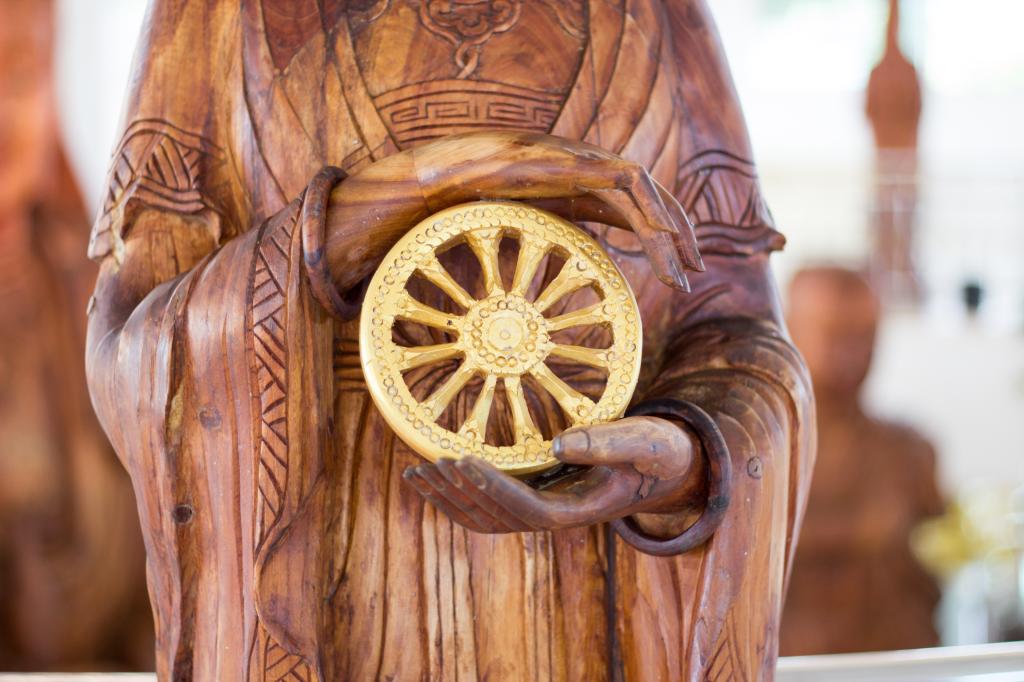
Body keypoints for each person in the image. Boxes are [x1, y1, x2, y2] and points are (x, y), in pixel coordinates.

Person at [85, 2, 814, 678]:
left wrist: (687, 457)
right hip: (338, 571)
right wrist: (459, 172)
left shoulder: (655, 18)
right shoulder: (222, 16)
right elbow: (143, 349)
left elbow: (734, 326)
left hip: (587, 585)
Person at [781, 266, 943, 654]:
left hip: (897, 663)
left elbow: (937, 562)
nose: (853, 353)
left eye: (866, 337)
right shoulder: (752, 455)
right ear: (786, 333)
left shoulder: (909, 451)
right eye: (834, 335)